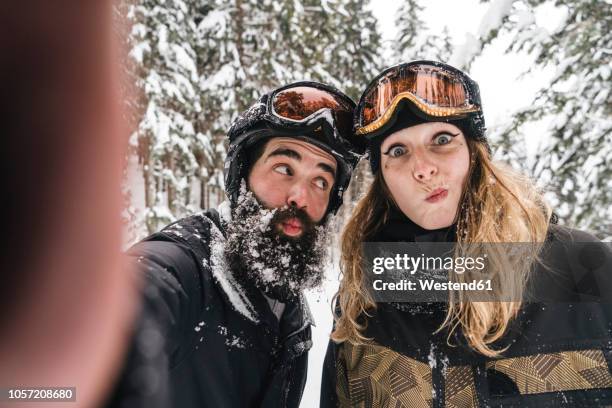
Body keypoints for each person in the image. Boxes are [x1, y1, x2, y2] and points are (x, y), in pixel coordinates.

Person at [321, 61, 612, 407]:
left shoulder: (582, 267)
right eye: (397, 151)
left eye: (442, 139)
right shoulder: (363, 303)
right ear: (383, 182)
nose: (424, 168)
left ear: (476, 154)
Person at [107, 82, 365, 408]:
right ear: (242, 177)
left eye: (320, 181)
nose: (301, 196)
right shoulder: (184, 269)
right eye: (284, 168)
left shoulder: (289, 307)